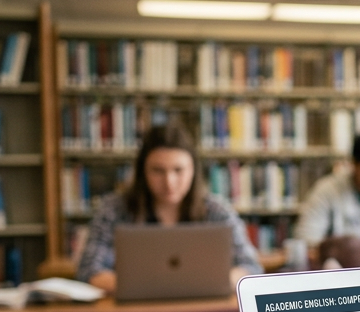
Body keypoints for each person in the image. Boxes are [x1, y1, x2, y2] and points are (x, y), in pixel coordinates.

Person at [77, 124, 262, 292]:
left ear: (193, 171)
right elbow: (89, 270)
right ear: (143, 171)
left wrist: (220, 281)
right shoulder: (113, 210)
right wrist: (149, 289)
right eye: (158, 171)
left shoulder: (217, 211)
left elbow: (251, 266)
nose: (169, 182)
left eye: (178, 170)